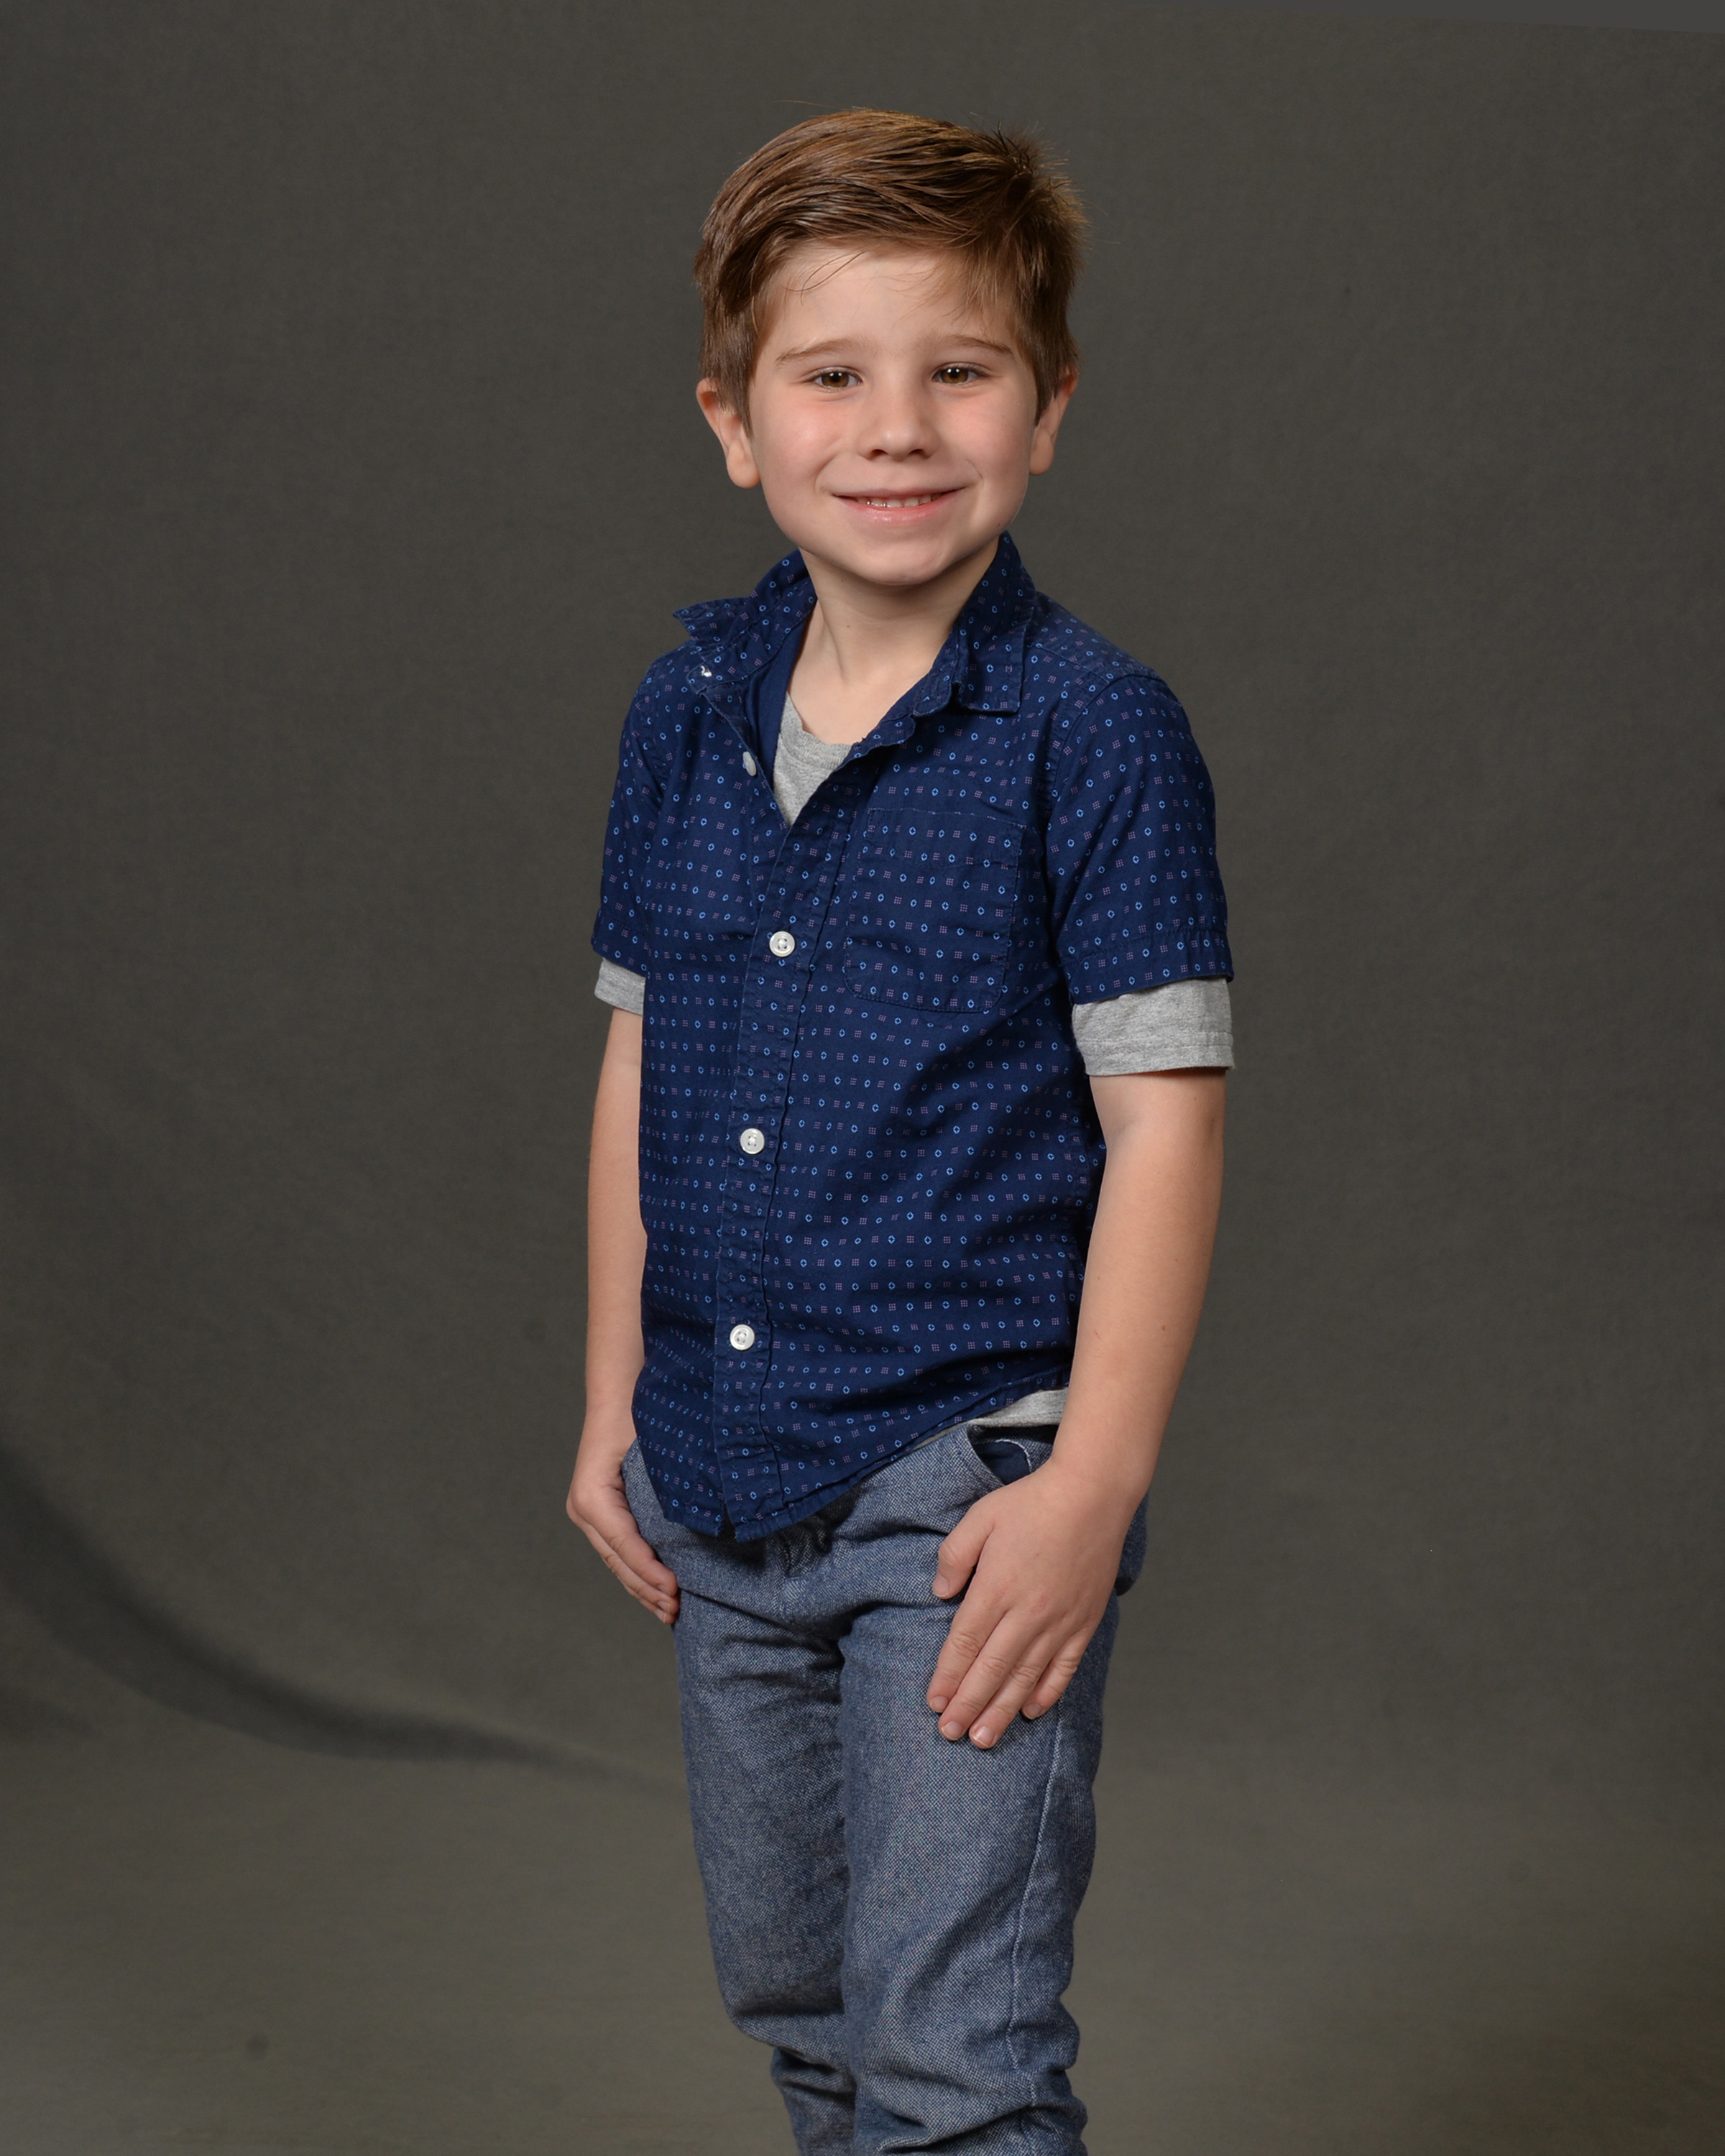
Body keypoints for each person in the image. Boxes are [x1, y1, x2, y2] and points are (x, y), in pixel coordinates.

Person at [566, 108, 1233, 2155]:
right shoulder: (685, 713)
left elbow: (1167, 1130)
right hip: (720, 1475)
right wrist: (610, 1404)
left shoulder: (1091, 732)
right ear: (733, 422)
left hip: (965, 1497)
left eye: (960, 370)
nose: (897, 429)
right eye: (831, 375)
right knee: (805, 2007)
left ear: (1050, 406)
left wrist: (1094, 1483)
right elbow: (642, 1066)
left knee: (953, 2049)